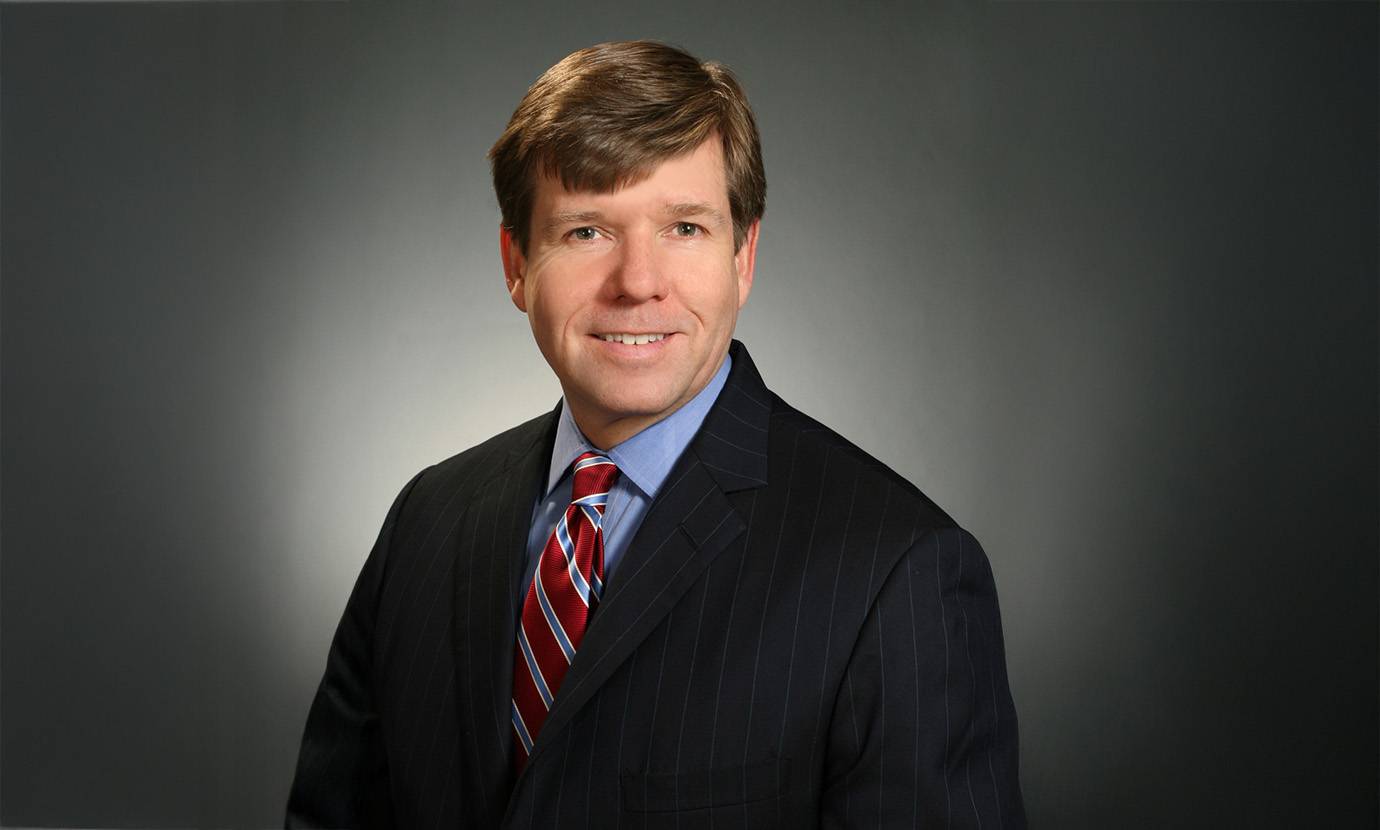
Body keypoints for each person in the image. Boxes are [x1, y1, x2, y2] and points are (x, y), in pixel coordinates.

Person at [286, 40, 1024, 829]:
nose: (637, 282)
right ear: (516, 264)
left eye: (684, 227)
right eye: (586, 231)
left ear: (743, 256)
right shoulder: (425, 524)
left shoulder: (899, 571)